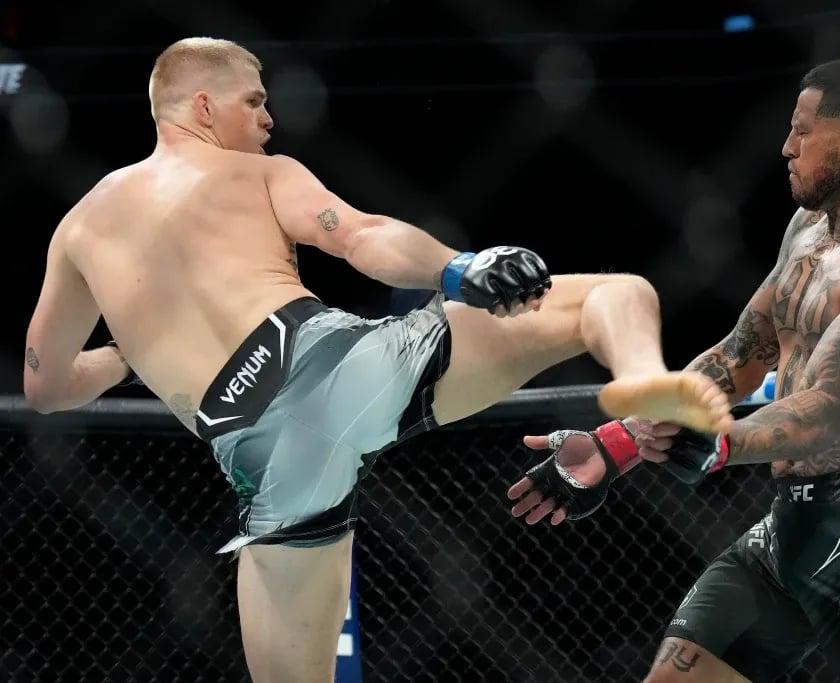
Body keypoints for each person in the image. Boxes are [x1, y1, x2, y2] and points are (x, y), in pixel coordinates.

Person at [20, 37, 733, 682]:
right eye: (254, 100)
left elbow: (45, 387)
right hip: (334, 361)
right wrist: (458, 268)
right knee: (616, 291)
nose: (269, 119)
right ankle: (637, 378)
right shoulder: (256, 173)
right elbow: (360, 236)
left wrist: (125, 354)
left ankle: (639, 386)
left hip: (255, 451)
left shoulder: (79, 228)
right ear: (202, 105)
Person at [509, 58, 840, 682]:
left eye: (803, 131)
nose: (786, 147)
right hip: (787, 528)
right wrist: (616, 444)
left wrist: (720, 443)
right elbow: (739, 357)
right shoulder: (808, 233)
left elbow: (828, 408)